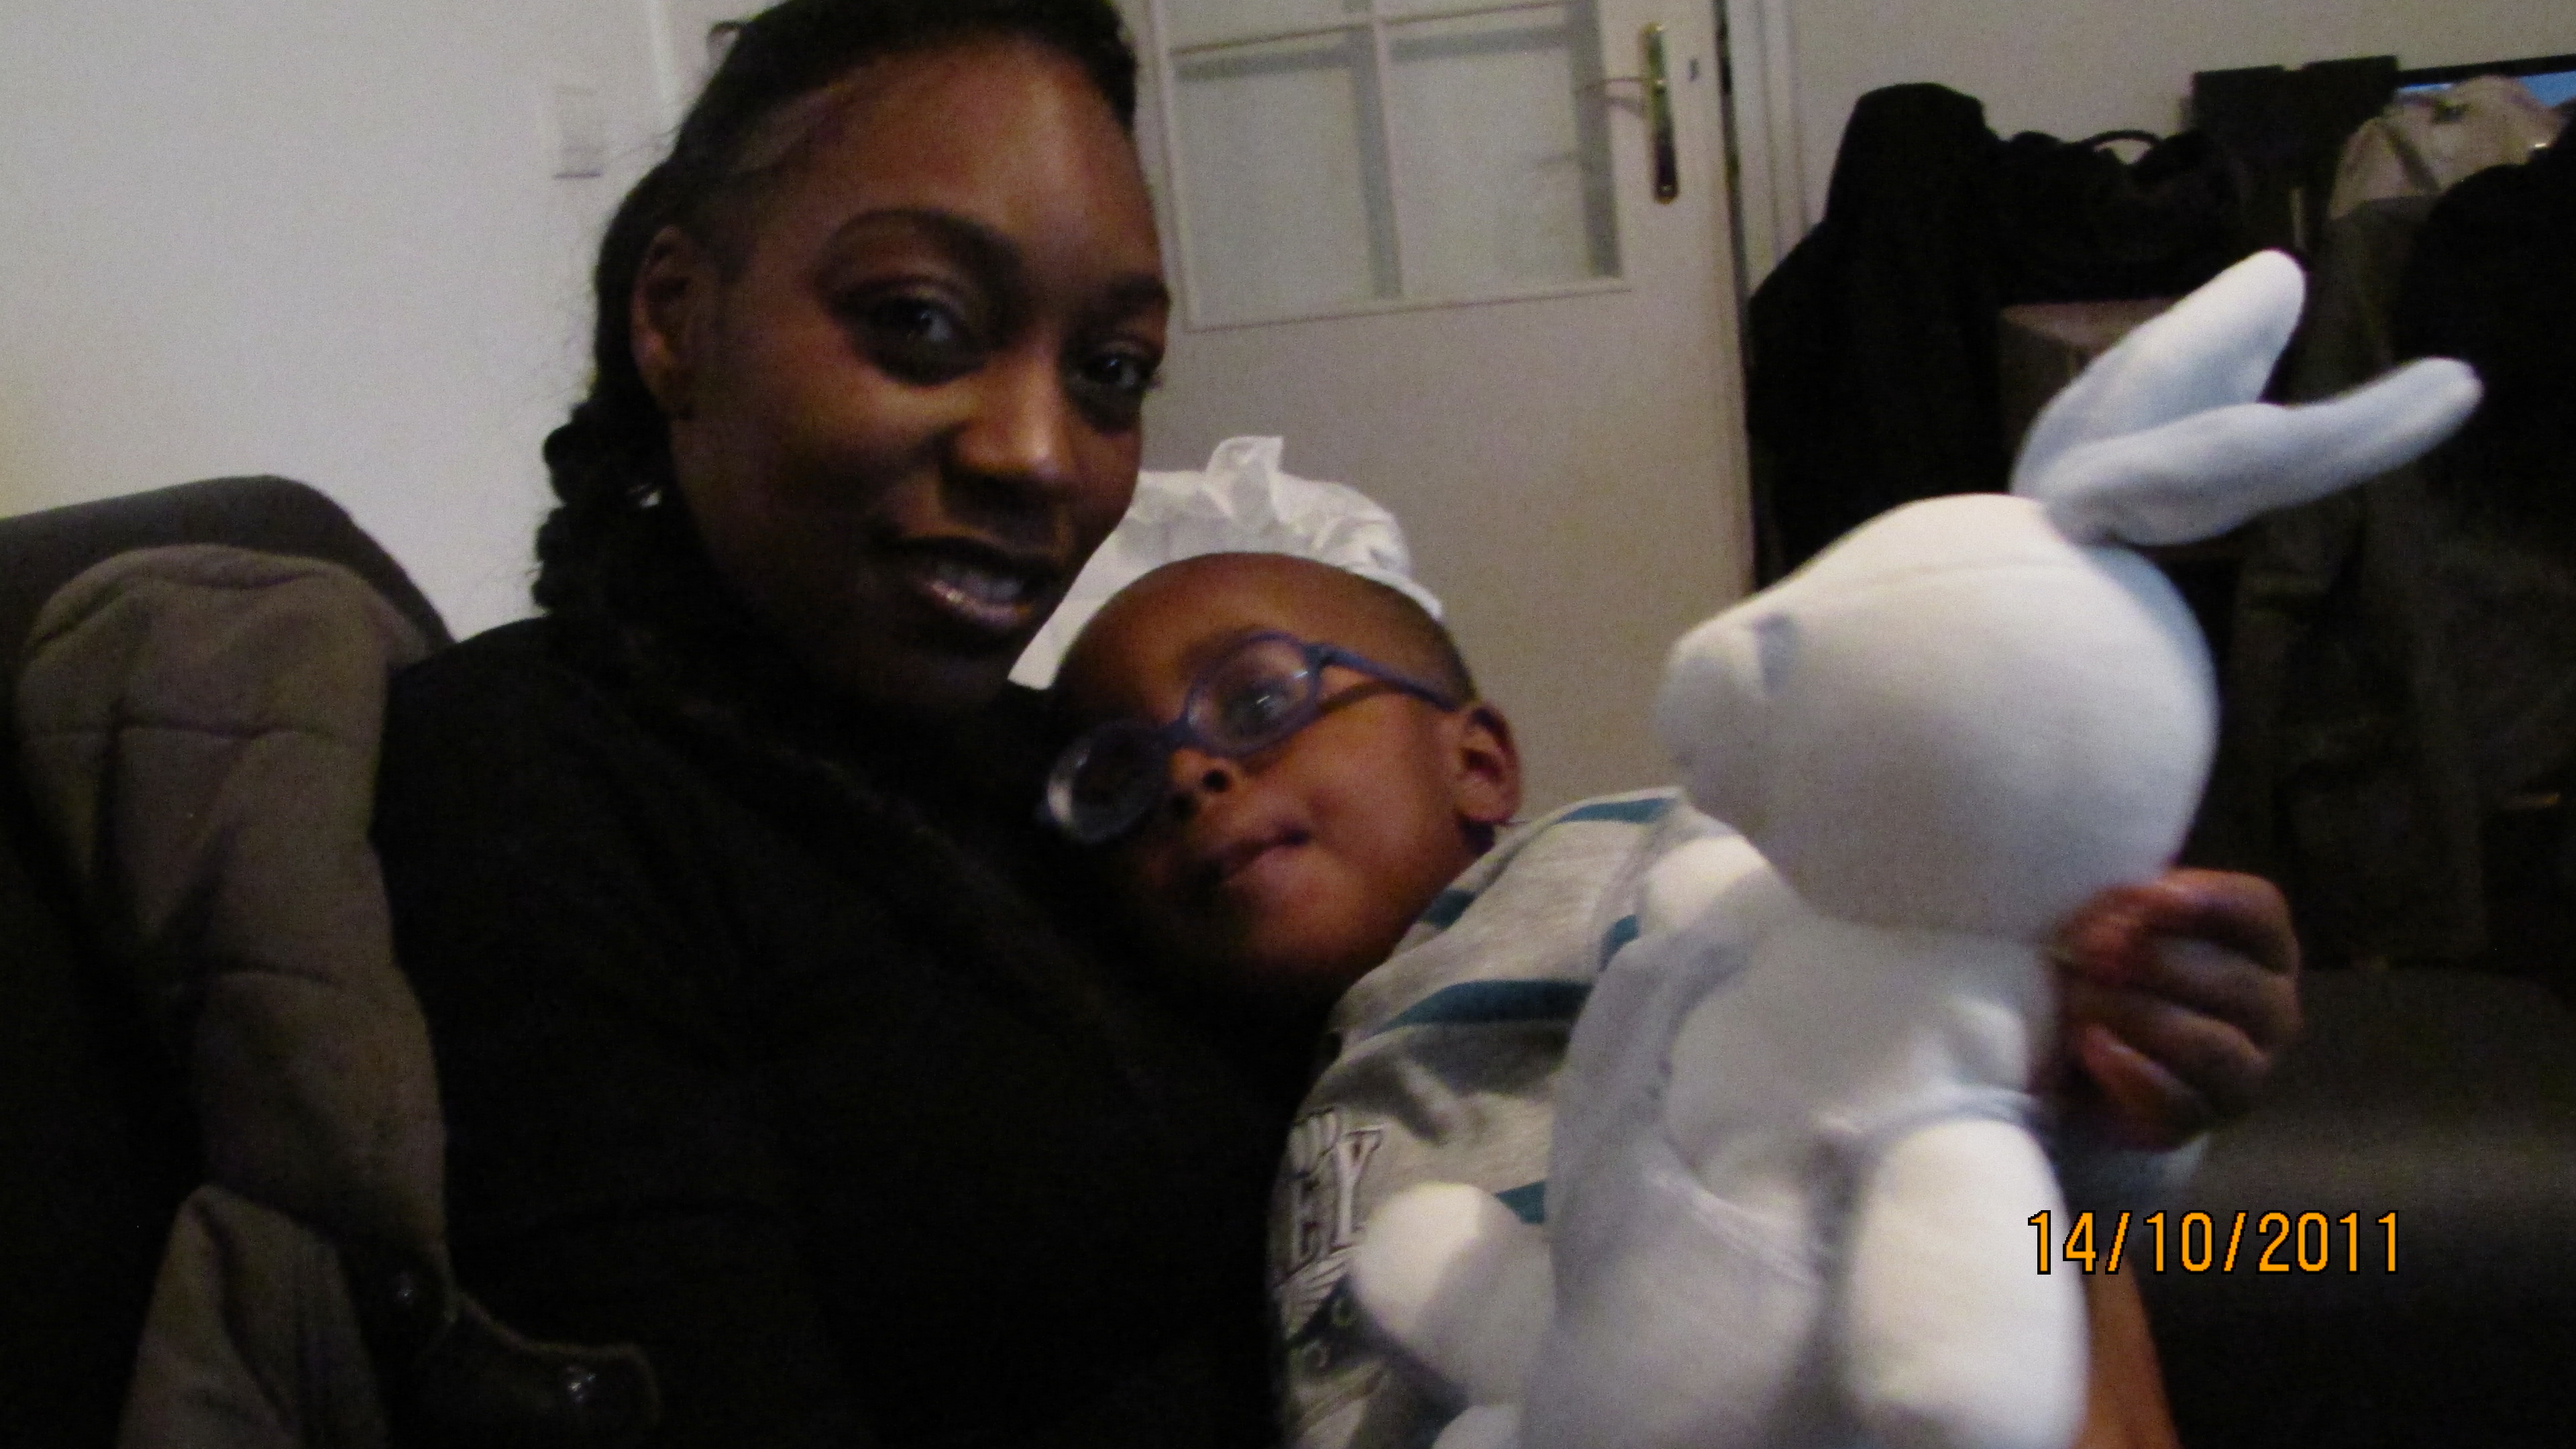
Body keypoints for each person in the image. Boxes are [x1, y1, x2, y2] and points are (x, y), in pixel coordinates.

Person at [372, 3, 1295, 1444]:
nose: (1041, 456)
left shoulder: (1059, 767)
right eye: (920, 323)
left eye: (1109, 371)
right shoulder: (525, 782)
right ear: (678, 319)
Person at [1048, 551, 2300, 1449]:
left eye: (1258, 702)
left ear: (1477, 764)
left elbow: (1937, 1052)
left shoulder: (1609, 858)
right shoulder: (1251, 1080)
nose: (1190, 776)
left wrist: (2107, 1039)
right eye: (1120, 780)